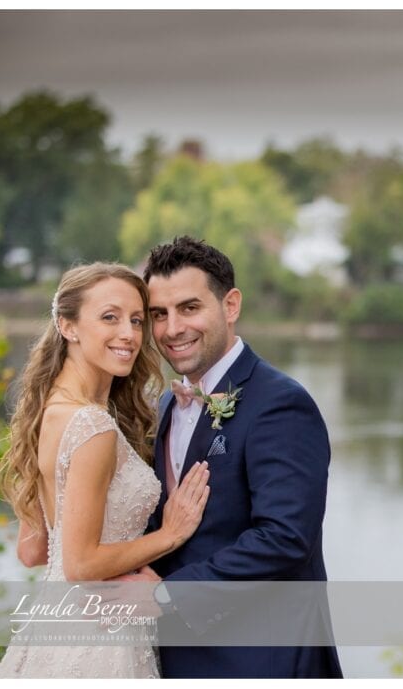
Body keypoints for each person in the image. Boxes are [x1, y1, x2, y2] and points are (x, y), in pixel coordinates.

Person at [0, 263, 211, 678]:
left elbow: (33, 550)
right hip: (100, 633)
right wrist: (170, 535)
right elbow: (80, 564)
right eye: (109, 317)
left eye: (136, 320)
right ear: (68, 326)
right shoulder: (92, 427)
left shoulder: (47, 411)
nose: (129, 334)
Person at [140, 236, 343, 678]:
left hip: (261, 658)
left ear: (230, 305)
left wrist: (167, 596)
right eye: (159, 314)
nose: (172, 328)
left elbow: (286, 536)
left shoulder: (280, 403)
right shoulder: (168, 404)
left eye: (189, 308)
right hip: (179, 656)